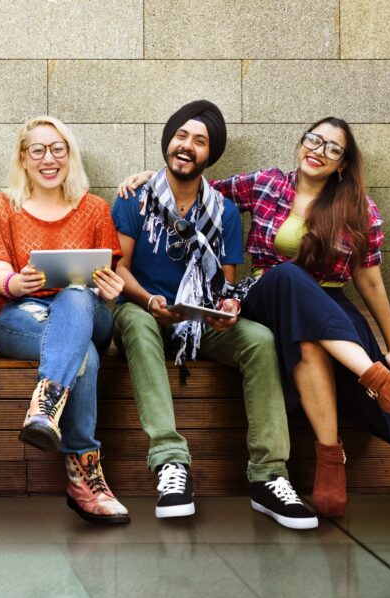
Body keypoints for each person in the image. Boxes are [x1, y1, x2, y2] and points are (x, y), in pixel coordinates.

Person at [120, 117, 390, 518]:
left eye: (332, 148)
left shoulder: (359, 210)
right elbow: (195, 188)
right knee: (287, 274)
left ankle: (330, 458)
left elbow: (372, 285)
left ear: (343, 163)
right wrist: (151, 177)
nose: (318, 151)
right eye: (314, 140)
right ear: (301, 143)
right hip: (264, 293)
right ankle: (385, 386)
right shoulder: (267, 184)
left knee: (306, 337)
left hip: (327, 308)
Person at [111, 100, 317, 530]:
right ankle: (170, 464)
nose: (187, 146)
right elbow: (119, 269)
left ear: (210, 154)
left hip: (198, 323)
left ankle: (269, 475)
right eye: (181, 136)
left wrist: (226, 308)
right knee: (131, 318)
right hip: (147, 313)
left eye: (200, 141)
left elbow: (224, 283)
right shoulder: (136, 197)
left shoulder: (222, 211)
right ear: (168, 141)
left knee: (259, 338)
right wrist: (150, 300)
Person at [0, 116, 129, 525]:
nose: (49, 159)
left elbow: (109, 275)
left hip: (90, 312)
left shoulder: (95, 208)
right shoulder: (4, 207)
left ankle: (45, 407)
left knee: (77, 295)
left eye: (58, 149)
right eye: (38, 150)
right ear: (23, 158)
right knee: (80, 353)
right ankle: (85, 477)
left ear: (70, 155)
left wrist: (110, 288)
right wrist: (17, 282)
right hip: (20, 316)